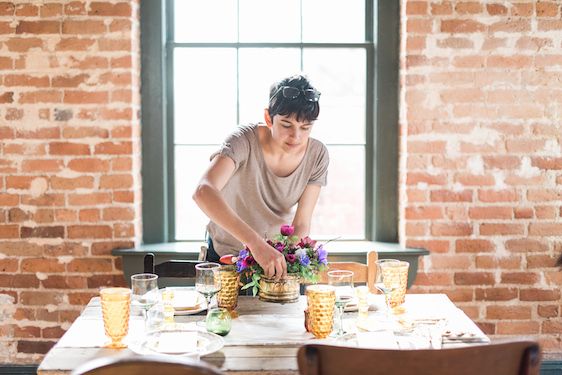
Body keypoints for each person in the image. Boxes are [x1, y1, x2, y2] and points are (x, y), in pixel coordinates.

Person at [193, 74, 329, 281]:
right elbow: (203, 191)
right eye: (286, 125)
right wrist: (256, 245)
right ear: (268, 118)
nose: (296, 137)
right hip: (226, 256)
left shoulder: (317, 154)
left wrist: (286, 258)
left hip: (274, 261)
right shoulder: (243, 140)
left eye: (305, 128)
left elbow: (301, 223)